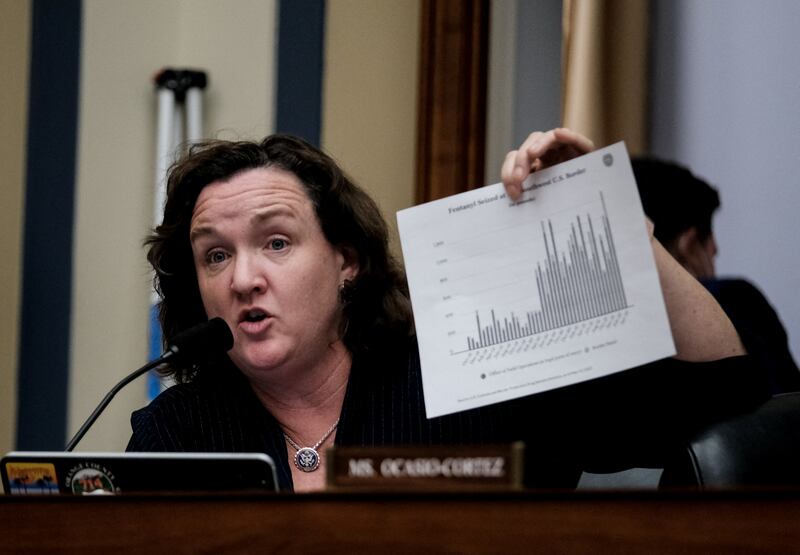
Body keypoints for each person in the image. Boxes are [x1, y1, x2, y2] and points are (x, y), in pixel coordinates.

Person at [128, 129, 764, 492]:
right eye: (214, 256)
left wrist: (622, 224)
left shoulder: (471, 378)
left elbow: (723, 400)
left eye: (276, 243)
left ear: (345, 261)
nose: (243, 279)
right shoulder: (176, 435)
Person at [632, 157, 800, 394]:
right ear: (689, 244)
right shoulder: (734, 298)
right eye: (710, 237)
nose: (716, 250)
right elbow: (784, 412)